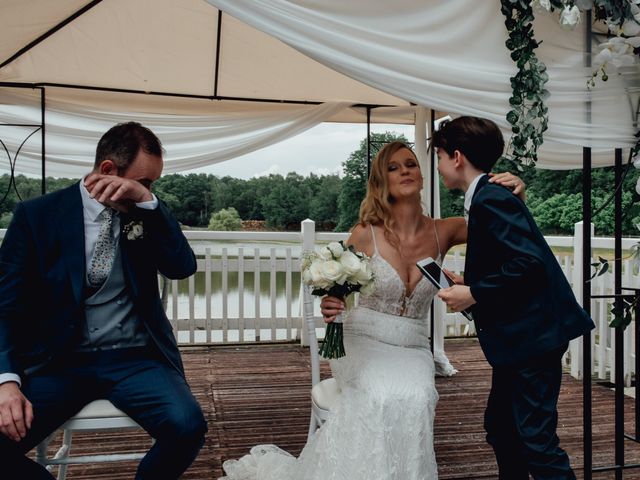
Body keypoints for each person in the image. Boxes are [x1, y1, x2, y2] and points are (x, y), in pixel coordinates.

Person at [220, 141, 525, 480]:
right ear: (383, 181)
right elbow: (334, 289)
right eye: (393, 168)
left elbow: (506, 230)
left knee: (420, 395)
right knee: (383, 394)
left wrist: (516, 193)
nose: (404, 171)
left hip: (411, 345)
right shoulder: (366, 234)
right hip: (361, 339)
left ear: (423, 176)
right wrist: (329, 302)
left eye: (410, 164)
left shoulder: (447, 230)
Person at [0, 122, 207, 479]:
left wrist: (148, 202)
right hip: (58, 362)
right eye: (144, 182)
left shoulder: (144, 211)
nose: (147, 190)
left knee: (188, 426)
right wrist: (6, 382)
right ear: (108, 170)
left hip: (135, 360)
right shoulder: (37, 217)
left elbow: (182, 267)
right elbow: (4, 305)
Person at [435, 116, 594, 480]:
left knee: (536, 441)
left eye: (441, 156)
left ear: (456, 157)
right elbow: (513, 258)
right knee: (502, 428)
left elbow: (529, 264)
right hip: (520, 340)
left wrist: (473, 293)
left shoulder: (490, 198)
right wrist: (469, 280)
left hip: (532, 339)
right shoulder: (490, 195)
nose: (440, 165)